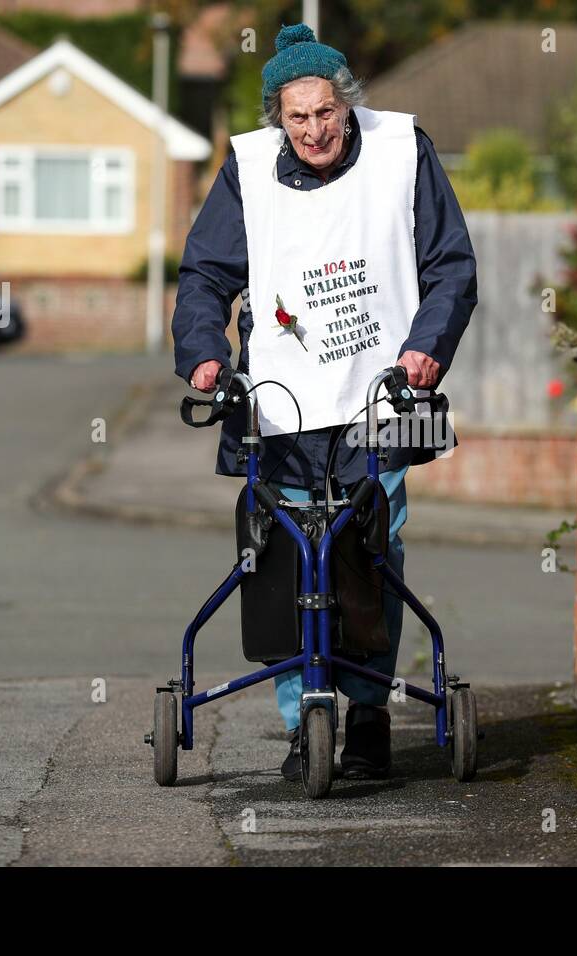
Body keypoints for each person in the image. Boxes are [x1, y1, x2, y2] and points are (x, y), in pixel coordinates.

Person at [171, 23, 477, 781]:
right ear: (280, 115)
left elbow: (450, 266)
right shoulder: (247, 169)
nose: (314, 130)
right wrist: (205, 352)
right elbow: (207, 273)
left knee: (371, 549)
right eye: (298, 117)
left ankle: (369, 715)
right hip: (279, 406)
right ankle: (301, 716)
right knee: (278, 553)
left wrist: (428, 346)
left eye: (326, 113)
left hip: (383, 395)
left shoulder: (405, 151)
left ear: (348, 105)